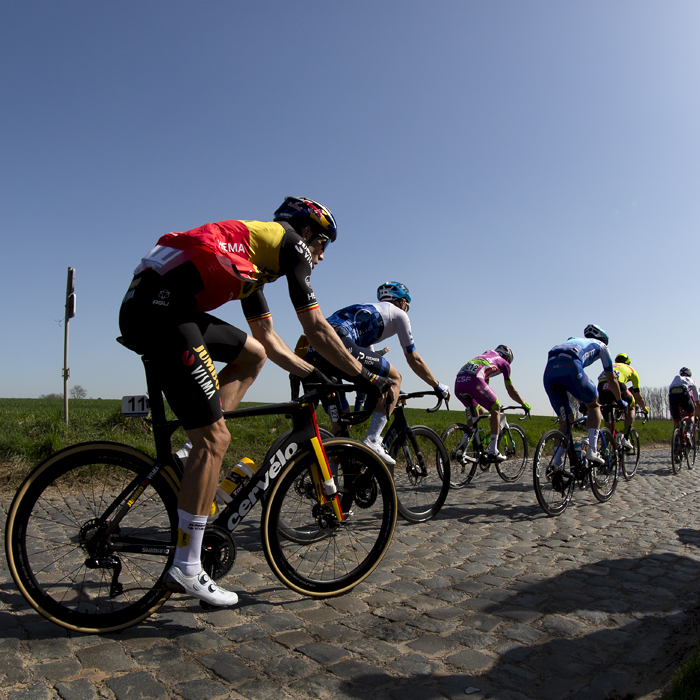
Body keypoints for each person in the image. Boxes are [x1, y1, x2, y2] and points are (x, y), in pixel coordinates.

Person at [118, 196, 391, 607]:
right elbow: (315, 326)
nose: (320, 256)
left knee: (252, 354)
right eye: (323, 245)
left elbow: (267, 340)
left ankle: (191, 451)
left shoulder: (255, 262)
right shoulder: (289, 242)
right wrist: (364, 376)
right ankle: (187, 566)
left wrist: (310, 372)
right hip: (162, 314)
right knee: (217, 440)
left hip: (155, 306)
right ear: (309, 232)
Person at [302, 281, 450, 465]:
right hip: (339, 341)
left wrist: (393, 392)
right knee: (396, 377)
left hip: (314, 349)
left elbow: (368, 362)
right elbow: (414, 359)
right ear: (403, 302)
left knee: (341, 426)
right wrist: (437, 385)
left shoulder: (367, 311)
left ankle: (333, 488)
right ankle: (372, 440)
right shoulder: (399, 314)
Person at [542, 324, 627, 467]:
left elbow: (574, 385)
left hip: (549, 372)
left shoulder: (572, 340)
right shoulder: (602, 346)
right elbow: (611, 379)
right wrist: (619, 400)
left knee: (566, 422)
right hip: (571, 367)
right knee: (594, 405)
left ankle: (556, 464)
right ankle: (592, 450)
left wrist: (582, 402)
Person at [453, 346, 531, 462]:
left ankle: (462, 448)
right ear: (507, 358)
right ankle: (493, 451)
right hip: (475, 381)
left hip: (459, 382)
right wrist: (523, 403)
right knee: (496, 408)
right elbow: (510, 390)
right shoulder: (504, 363)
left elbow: (485, 385)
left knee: (478, 412)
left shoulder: (486, 355)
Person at [597, 353, 649, 449]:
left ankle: (604, 449)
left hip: (601, 387)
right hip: (617, 385)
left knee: (608, 423)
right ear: (628, 363)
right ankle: (625, 437)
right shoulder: (632, 370)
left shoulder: (611, 365)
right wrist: (644, 408)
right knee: (632, 405)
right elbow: (638, 396)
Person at [668, 367, 699, 434]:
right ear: (690, 375)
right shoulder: (691, 381)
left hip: (672, 393)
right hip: (684, 392)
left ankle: (676, 440)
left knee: (676, 421)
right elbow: (697, 401)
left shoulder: (675, 380)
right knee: (691, 414)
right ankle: (688, 433)